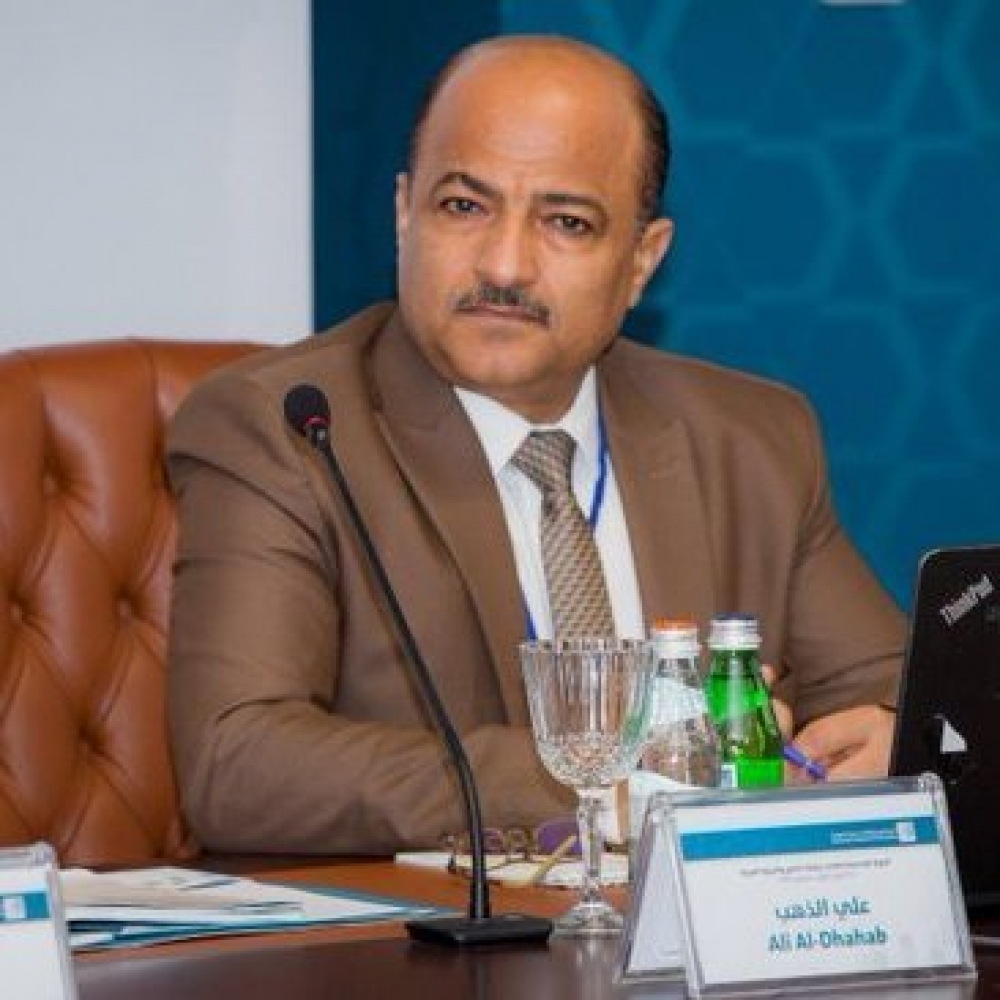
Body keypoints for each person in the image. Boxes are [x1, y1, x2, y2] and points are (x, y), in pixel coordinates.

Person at [166, 35, 905, 855]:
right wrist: (605, 779)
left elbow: (896, 694)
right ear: (404, 214)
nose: (506, 264)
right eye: (464, 206)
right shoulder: (289, 429)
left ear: (642, 260)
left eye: (566, 222)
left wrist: (890, 736)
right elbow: (237, 762)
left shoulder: (749, 438)